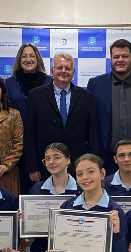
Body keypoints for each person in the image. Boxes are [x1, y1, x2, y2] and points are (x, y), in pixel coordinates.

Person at [24, 52, 99, 181]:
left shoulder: (87, 97)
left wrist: (92, 166)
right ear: (52, 71)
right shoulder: (36, 96)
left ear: (73, 72)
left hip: (79, 167)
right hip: (46, 166)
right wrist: (33, 167)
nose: (63, 71)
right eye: (59, 68)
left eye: (68, 68)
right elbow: (29, 134)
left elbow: (93, 135)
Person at [22, 143, 81, 252]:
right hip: (44, 248)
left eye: (56, 157)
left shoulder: (80, 189)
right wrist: (25, 220)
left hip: (72, 250)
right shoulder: (37, 188)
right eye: (47, 159)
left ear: (68, 160)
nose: (51, 162)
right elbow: (31, 221)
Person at [87, 39, 131, 173]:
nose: (120, 60)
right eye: (116, 57)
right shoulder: (95, 84)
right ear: (111, 59)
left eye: (124, 56)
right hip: (105, 158)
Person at [5, 43, 54, 194]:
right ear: (19, 60)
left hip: (43, 142)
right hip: (18, 143)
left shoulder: (49, 81)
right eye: (24, 56)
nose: (28, 59)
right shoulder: (9, 83)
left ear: (38, 59)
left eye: (32, 56)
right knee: (22, 189)